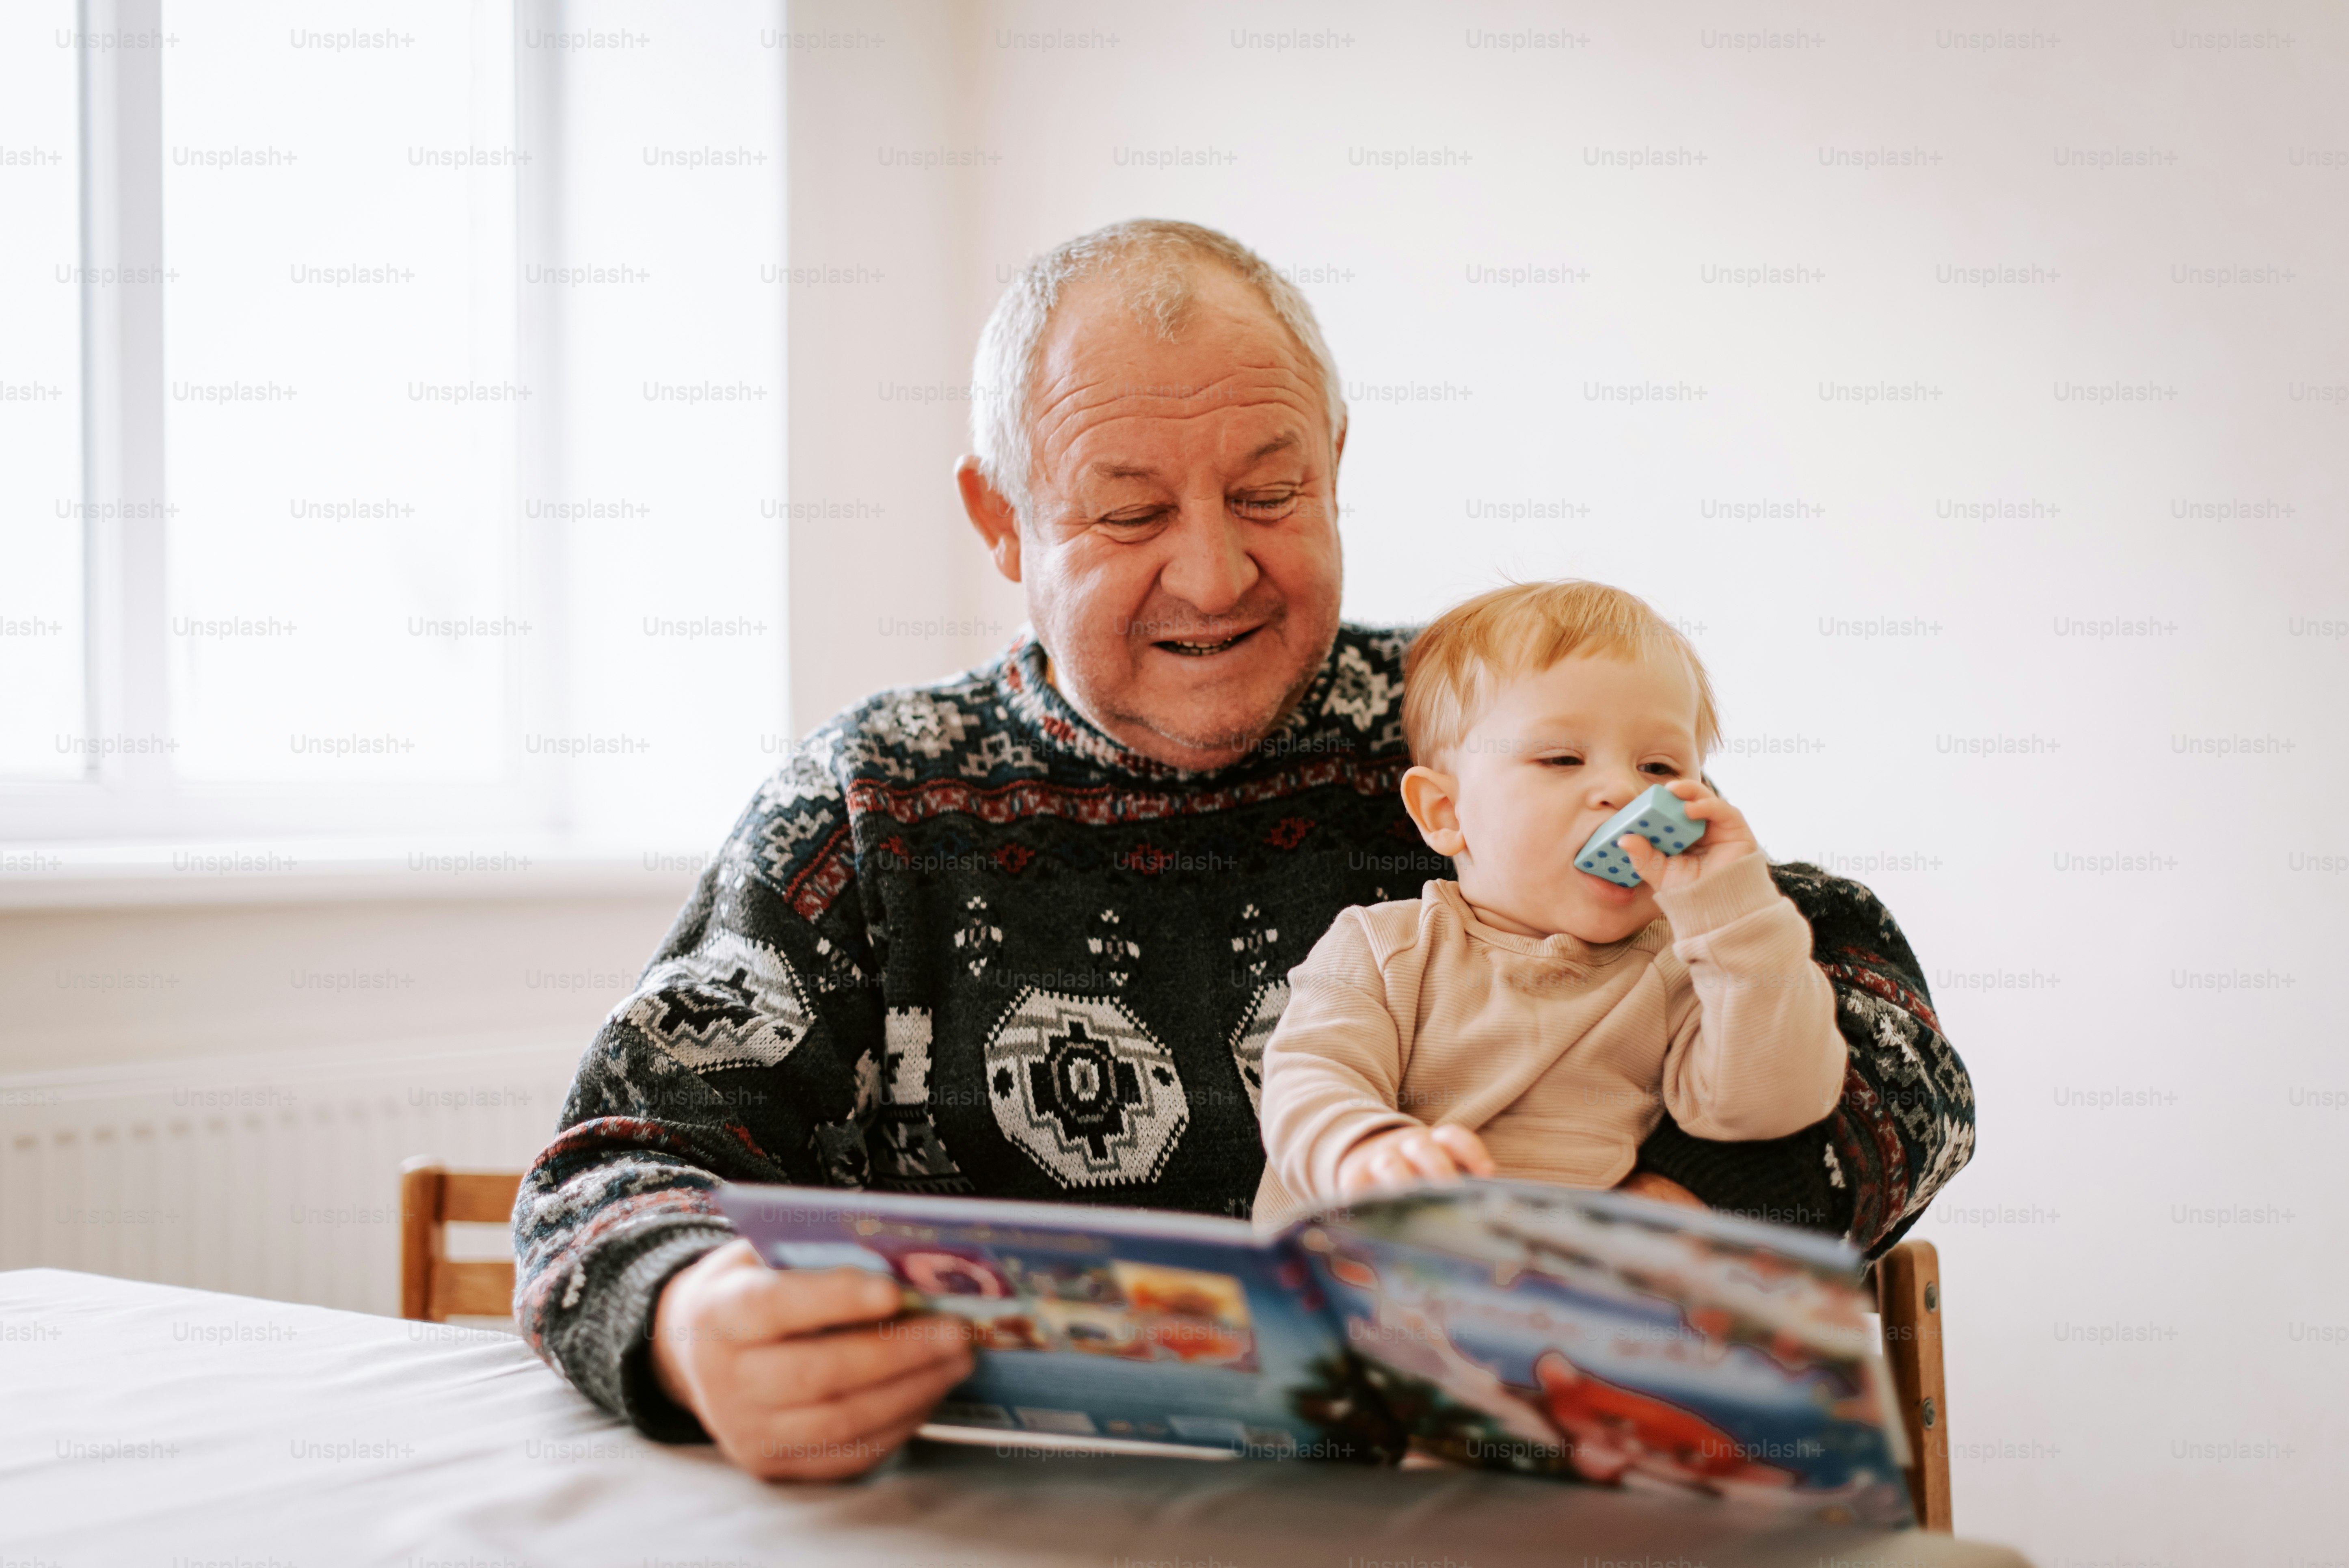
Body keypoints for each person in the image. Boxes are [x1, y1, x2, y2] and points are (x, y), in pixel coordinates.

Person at [511, 218, 1976, 1481]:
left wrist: (1663, 1225)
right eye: (1129, 510)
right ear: (1001, 521)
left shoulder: (1486, 739)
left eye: (1270, 494)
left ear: (1335, 462)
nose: (1213, 573)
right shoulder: (873, 800)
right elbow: (612, 1166)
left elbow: (1888, 1034)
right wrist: (694, 1323)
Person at [1254, 579, 1846, 1226]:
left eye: (1659, 769)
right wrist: (1367, 1153)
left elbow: (1777, 1102)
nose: (1622, 792)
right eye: (1562, 757)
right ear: (1445, 811)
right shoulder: (1384, 948)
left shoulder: (1682, 970)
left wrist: (1738, 915)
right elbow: (1310, 1077)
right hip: (1362, 1275)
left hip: (1559, 1305)